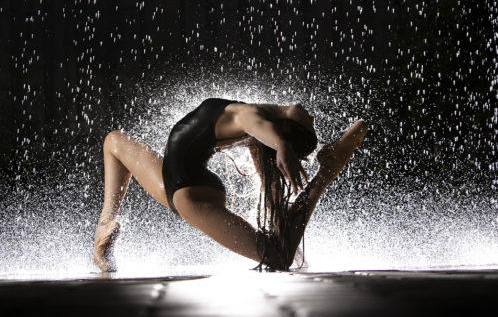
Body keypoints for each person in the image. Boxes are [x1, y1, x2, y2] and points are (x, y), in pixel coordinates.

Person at [93, 98, 367, 272]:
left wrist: (281, 145)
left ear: (287, 128)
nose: (314, 119)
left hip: (191, 196)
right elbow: (267, 181)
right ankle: (105, 225)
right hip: (176, 184)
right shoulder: (254, 130)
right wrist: (279, 144)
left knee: (278, 258)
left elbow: (253, 122)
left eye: (308, 126)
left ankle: (326, 173)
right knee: (114, 142)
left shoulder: (247, 115)